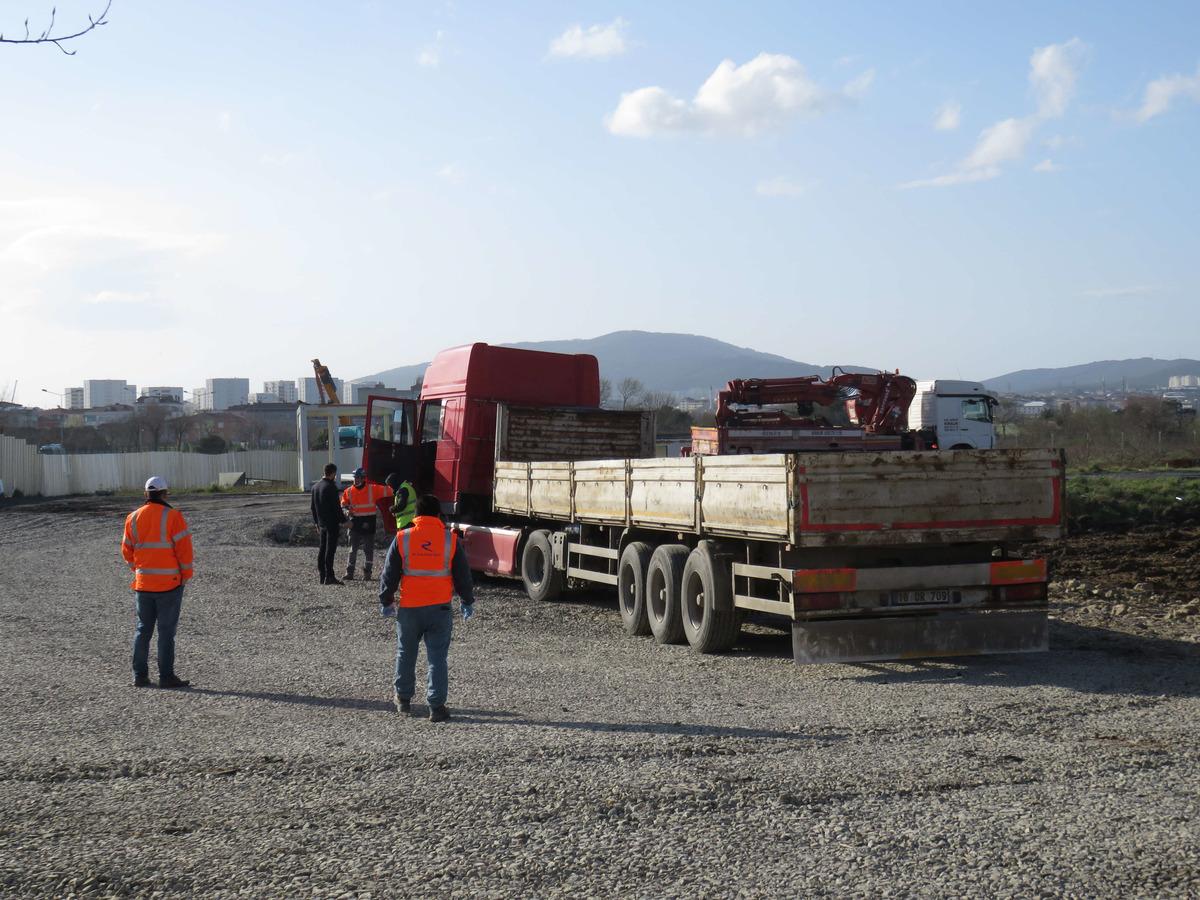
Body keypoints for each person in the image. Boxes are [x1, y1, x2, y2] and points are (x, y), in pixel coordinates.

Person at [378, 493, 475, 722]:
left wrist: (386, 600)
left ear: (416, 514)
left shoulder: (403, 538)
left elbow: (389, 573)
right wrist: (467, 601)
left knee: (406, 653)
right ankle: (437, 707)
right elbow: (463, 576)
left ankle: (403, 700)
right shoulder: (450, 540)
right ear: (438, 514)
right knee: (437, 658)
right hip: (439, 609)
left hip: (410, 608)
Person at [122, 476, 194, 688]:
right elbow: (184, 551)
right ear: (164, 494)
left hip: (143, 584)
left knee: (143, 629)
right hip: (169, 584)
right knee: (166, 633)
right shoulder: (173, 516)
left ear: (146, 494)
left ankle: (139, 676)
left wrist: (139, 570)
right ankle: (166, 676)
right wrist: (185, 575)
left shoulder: (132, 518)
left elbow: (127, 551)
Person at [340, 467, 391, 580]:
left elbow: (390, 490)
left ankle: (367, 573)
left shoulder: (372, 489)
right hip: (355, 523)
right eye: (355, 478)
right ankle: (349, 573)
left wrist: (400, 485)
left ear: (363, 478)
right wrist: (346, 511)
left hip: (369, 523)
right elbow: (343, 505)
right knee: (353, 549)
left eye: (358, 478)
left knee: (368, 550)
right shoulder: (348, 491)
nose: (355, 480)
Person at [310, 462, 346, 585]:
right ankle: (329, 576)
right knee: (330, 550)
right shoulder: (330, 487)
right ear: (333, 473)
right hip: (331, 524)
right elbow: (336, 508)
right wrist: (344, 521)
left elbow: (313, 507)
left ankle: (322, 575)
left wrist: (316, 522)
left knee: (322, 548)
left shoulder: (315, 487)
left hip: (321, 523)